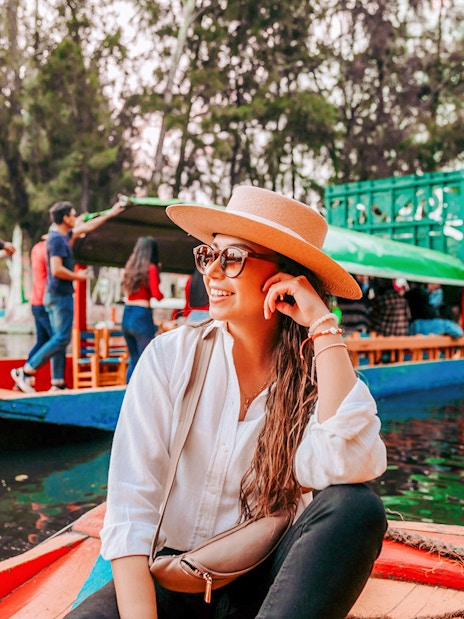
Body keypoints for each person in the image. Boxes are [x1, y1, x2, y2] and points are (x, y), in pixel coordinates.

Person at [68, 186, 387, 619]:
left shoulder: (317, 376)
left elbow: (348, 467)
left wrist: (321, 326)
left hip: (265, 582)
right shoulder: (169, 359)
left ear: (285, 278)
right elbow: (131, 515)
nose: (212, 273)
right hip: (172, 576)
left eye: (232, 258)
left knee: (357, 507)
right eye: (209, 255)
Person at [11, 200, 125, 393]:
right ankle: (26, 371)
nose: (76, 218)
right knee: (62, 338)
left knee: (58, 339)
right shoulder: (56, 240)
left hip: (56, 296)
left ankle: (57, 382)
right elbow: (56, 270)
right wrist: (77, 277)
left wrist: (111, 214)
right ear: (65, 218)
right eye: (73, 215)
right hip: (58, 296)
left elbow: (87, 226)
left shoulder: (64, 235)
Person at [122, 236, 164, 381]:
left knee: (134, 360)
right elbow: (157, 295)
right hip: (141, 315)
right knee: (146, 359)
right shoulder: (151, 268)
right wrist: (157, 274)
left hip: (127, 315)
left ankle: (126, 392)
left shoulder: (129, 267)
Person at [25, 236, 53, 380]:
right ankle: (27, 370)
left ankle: (24, 375)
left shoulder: (36, 248)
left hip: (35, 300)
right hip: (44, 301)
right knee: (56, 341)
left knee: (43, 340)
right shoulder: (48, 250)